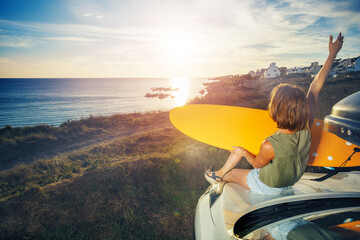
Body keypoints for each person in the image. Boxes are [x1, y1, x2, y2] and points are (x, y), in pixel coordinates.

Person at [205, 33, 344, 194]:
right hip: (291, 180)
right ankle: (219, 174)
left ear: (276, 109)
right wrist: (333, 54)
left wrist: (244, 152)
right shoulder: (306, 123)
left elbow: (258, 165)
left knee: (232, 174)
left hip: (270, 185)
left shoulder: (269, 144)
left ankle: (217, 176)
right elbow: (315, 87)